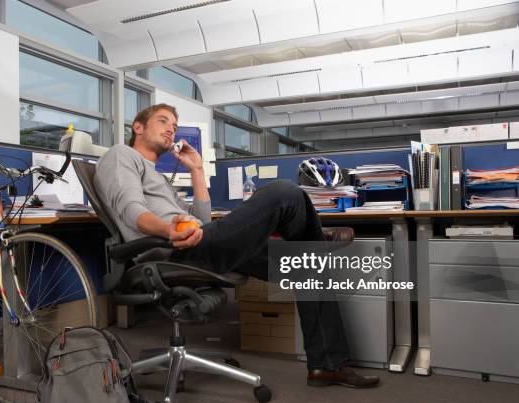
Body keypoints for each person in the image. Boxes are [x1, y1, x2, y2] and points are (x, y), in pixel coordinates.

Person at [94, 103, 379, 388]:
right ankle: (316, 237)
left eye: (175, 125)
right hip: (174, 250)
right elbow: (130, 210)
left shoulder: (157, 176)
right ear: (138, 127)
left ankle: (328, 366)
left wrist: (196, 170)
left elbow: (201, 221)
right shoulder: (122, 155)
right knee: (284, 193)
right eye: (163, 121)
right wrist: (168, 230)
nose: (171, 128)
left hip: (197, 242)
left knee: (309, 267)